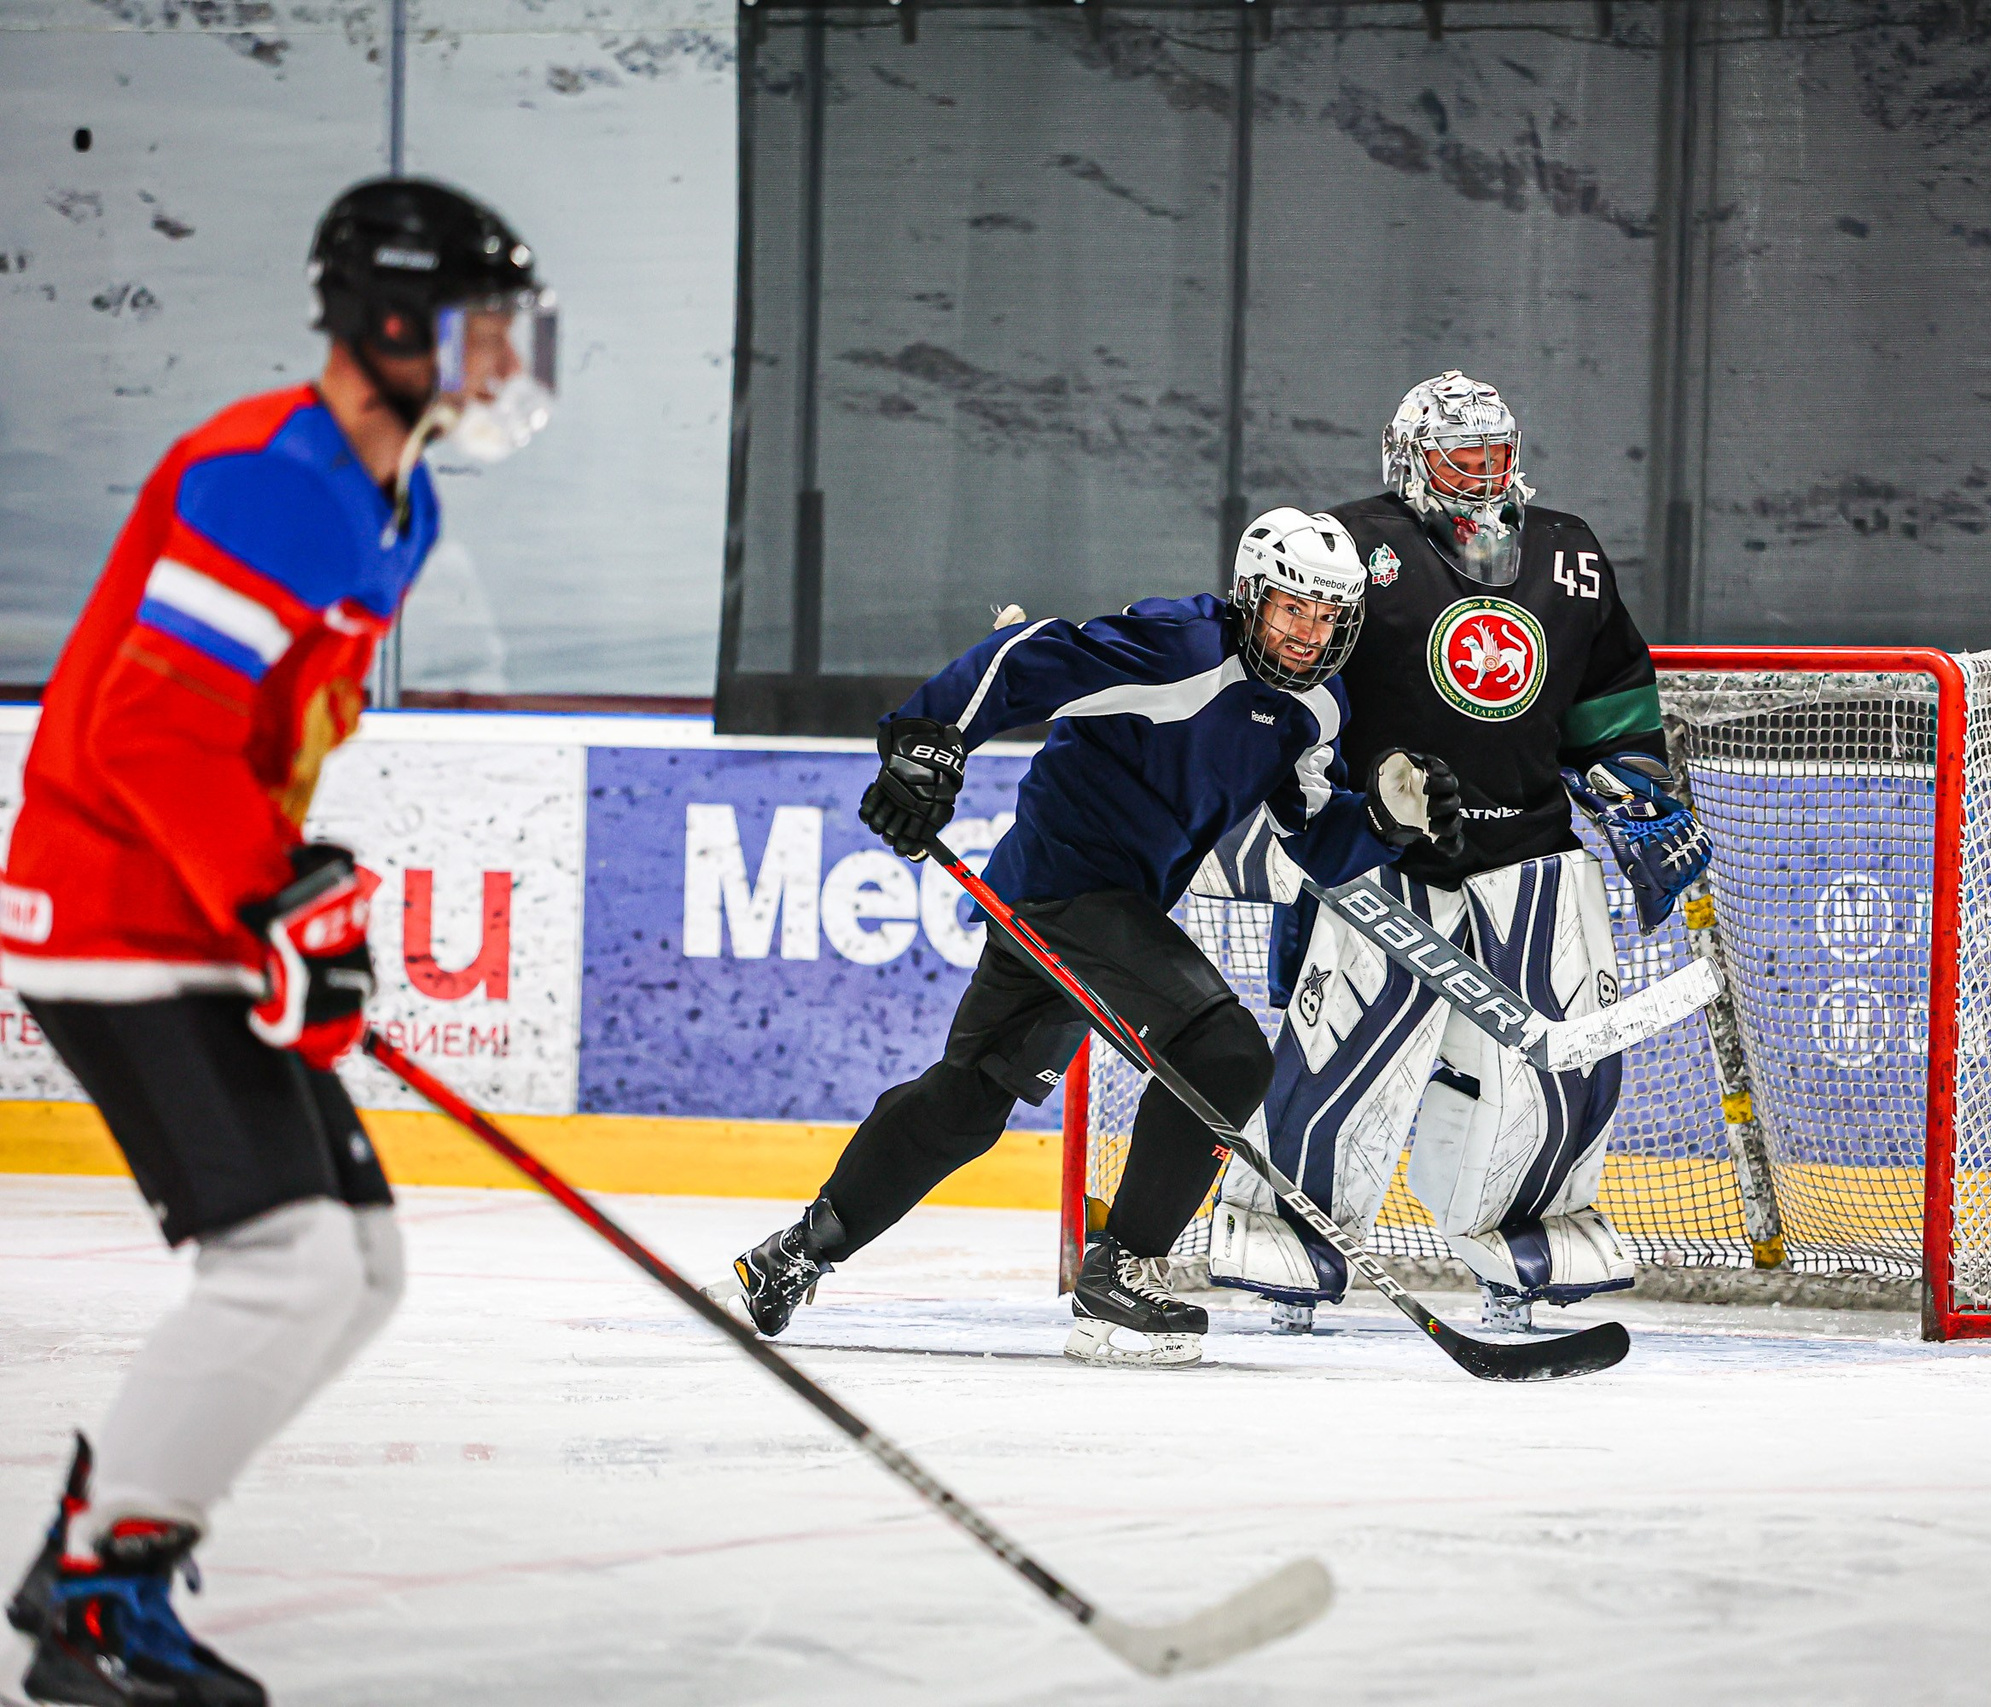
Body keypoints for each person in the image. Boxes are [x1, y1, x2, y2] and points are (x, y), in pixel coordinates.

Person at [1, 178, 555, 1707]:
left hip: (194, 907)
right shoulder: (271, 477)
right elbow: (144, 728)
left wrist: (288, 896)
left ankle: (92, 1538)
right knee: (287, 1267)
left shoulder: (402, 496)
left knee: (359, 1267)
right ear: (388, 325)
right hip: (115, 913)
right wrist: (270, 898)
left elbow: (252, 734)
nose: (504, 361)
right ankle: (99, 1594)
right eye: (477, 328)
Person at [713, 508, 1462, 1368]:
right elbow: (1023, 656)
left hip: (1088, 906)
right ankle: (1123, 1274)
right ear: (1251, 597)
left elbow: (1312, 834)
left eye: (1329, 618)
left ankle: (795, 1252)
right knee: (1224, 1054)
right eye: (1292, 609)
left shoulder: (1319, 707)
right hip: (1065, 890)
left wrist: (1388, 821)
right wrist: (927, 746)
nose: (1308, 634)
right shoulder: (1180, 646)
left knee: (966, 1102)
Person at [1207, 371, 1711, 1333]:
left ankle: (1524, 1236)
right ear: (1409, 459)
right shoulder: (1352, 542)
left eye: (1496, 454)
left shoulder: (1569, 551)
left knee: (1564, 1066)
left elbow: (1611, 689)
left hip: (1531, 848)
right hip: (1388, 853)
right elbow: (1290, 668)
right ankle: (1291, 1231)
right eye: (1460, 457)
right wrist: (1298, 797)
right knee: (1346, 1055)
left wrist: (1630, 780)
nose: (1483, 474)